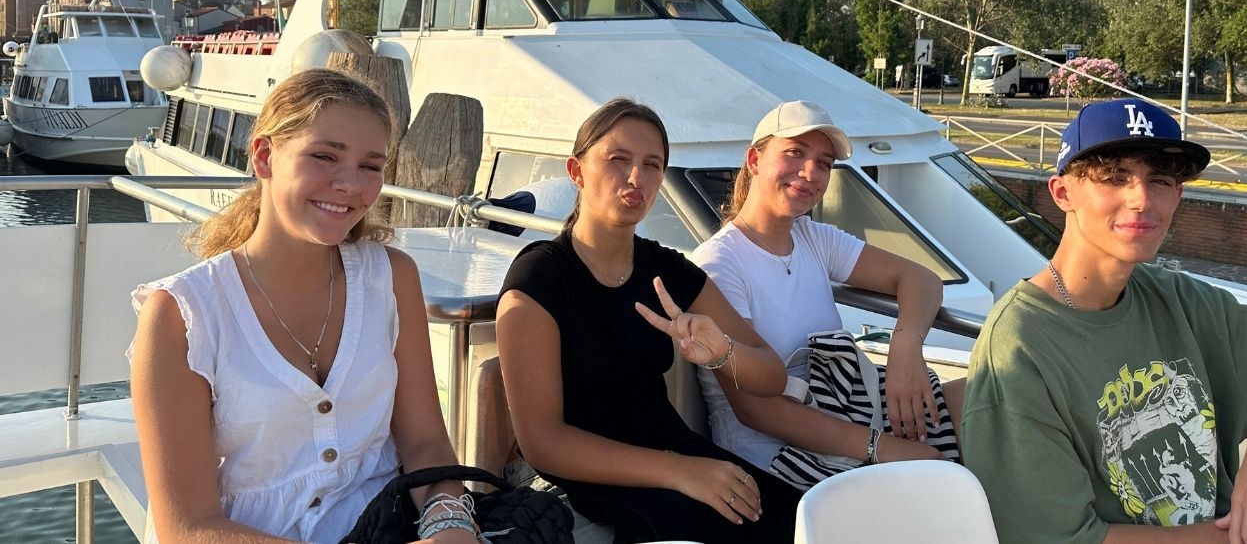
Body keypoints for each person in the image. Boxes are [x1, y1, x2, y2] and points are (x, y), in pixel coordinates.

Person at [961, 97, 1247, 544]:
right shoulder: (1020, 344)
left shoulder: (1181, 301)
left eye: (1160, 180)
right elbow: (1061, 539)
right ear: (1062, 193)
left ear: (1178, 196)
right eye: (1114, 177)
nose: (1141, 199)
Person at [129, 68, 482, 543]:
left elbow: (425, 443)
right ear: (264, 156)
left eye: (370, 166)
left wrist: (449, 522)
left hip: (385, 526)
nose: (350, 184)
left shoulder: (391, 277)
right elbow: (188, 528)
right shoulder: (182, 314)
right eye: (324, 156)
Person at [495, 97, 802, 543]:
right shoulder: (539, 279)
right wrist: (680, 471)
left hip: (677, 455)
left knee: (803, 521)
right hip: (593, 480)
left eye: (652, 165)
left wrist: (722, 353)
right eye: (618, 159)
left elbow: (772, 374)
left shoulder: (667, 270)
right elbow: (542, 442)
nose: (636, 177)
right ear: (577, 171)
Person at [692, 100, 960, 486]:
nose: (810, 173)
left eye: (823, 163)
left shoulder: (811, 238)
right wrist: (882, 447)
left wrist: (905, 349)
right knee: (940, 475)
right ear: (754, 160)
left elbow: (921, 279)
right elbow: (756, 409)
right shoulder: (719, 263)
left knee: (986, 400)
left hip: (843, 410)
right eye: (795, 153)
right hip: (777, 455)